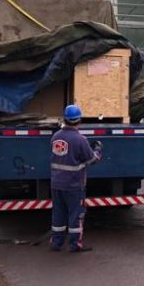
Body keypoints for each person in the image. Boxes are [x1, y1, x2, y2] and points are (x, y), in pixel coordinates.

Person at [49, 104, 102, 253]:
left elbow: (63, 156)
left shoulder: (56, 136)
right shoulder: (80, 140)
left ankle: (56, 243)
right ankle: (75, 244)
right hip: (73, 185)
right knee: (76, 215)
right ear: (79, 120)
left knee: (58, 213)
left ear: (65, 119)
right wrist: (97, 150)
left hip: (56, 183)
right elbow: (92, 160)